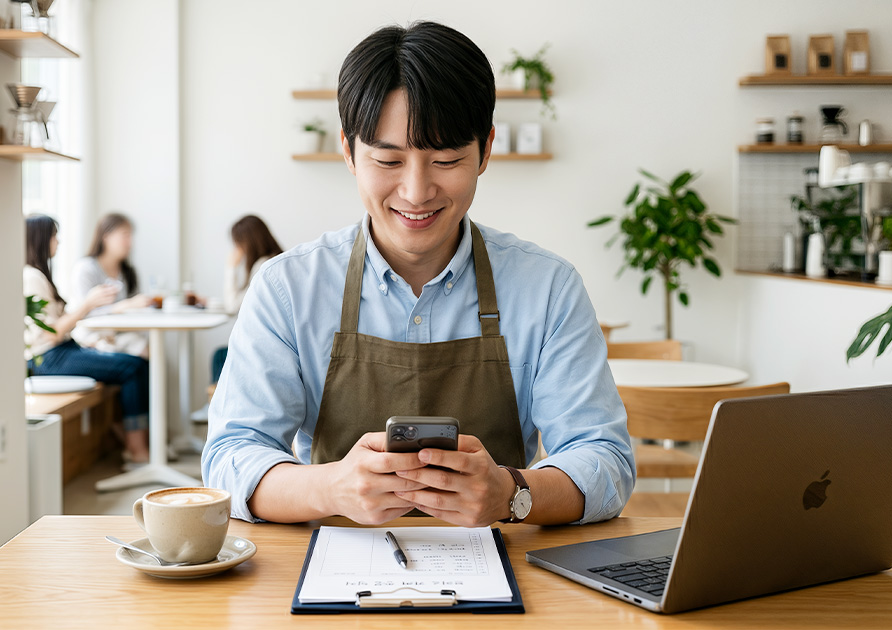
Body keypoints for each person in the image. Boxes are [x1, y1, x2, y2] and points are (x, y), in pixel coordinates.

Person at [203, 22, 634, 527]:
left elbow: (604, 459)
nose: (416, 191)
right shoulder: (287, 288)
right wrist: (331, 488)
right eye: (389, 160)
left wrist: (511, 494)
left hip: (504, 562)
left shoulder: (548, 288)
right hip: (326, 563)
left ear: (486, 150)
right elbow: (231, 457)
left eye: (446, 160)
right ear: (348, 151)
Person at [24, 214, 152, 464]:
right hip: (46, 358)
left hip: (62, 350)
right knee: (133, 367)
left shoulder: (39, 275)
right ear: (40, 239)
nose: (58, 241)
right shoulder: (32, 278)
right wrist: (88, 304)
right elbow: (49, 334)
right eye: (54, 236)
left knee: (136, 363)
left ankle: (136, 442)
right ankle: (137, 448)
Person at [211, 215, 284, 382]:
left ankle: (216, 399)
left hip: (265, 347)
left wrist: (230, 267)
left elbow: (232, 306)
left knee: (220, 356)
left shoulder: (263, 267)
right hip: (273, 343)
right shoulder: (276, 260)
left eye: (238, 244)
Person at [72, 213, 153, 357]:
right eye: (125, 235)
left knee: (149, 350)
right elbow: (82, 313)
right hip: (91, 338)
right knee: (141, 354)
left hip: (121, 335)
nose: (130, 243)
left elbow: (136, 309)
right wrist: (123, 306)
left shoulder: (128, 272)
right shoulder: (86, 268)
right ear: (106, 236)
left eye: (131, 236)